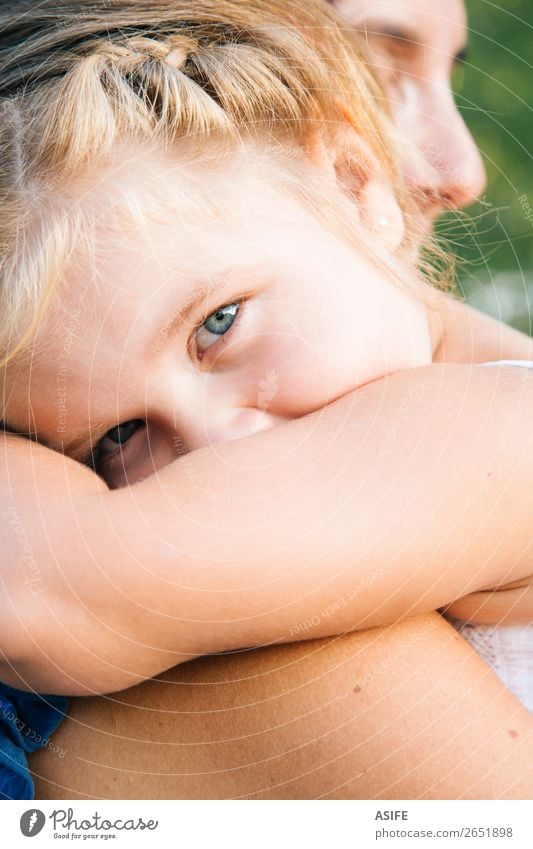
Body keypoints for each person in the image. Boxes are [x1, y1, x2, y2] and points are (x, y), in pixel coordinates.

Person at [0, 0, 529, 800]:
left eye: (218, 323)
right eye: (117, 436)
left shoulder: (500, 432)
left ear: (355, 187)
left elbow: (47, 587)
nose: (216, 450)